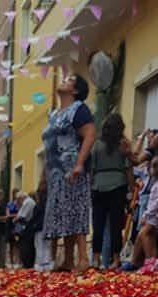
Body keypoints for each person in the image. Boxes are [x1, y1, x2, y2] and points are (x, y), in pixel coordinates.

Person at [42, 73, 96, 271]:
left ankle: (82, 258)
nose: (64, 79)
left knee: (76, 211)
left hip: (72, 168)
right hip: (55, 173)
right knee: (63, 213)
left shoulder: (78, 110)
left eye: (69, 79)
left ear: (75, 90)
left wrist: (79, 163)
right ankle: (67, 259)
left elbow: (89, 134)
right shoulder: (55, 113)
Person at [90, 112, 133, 270]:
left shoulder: (96, 144)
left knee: (98, 224)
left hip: (98, 186)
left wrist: (91, 187)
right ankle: (115, 259)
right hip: (118, 185)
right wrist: (130, 188)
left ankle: (95, 259)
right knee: (116, 225)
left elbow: (92, 168)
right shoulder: (123, 144)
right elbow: (129, 167)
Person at [122, 155, 158, 272]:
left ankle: (145, 260)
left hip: (154, 216)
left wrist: (146, 214)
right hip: (157, 215)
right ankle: (150, 261)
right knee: (148, 237)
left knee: (144, 234)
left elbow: (156, 202)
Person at [14, 191, 37, 268]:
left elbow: (22, 215)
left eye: (18, 200)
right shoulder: (27, 202)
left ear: (21, 198)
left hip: (27, 227)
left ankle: (28, 264)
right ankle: (27, 263)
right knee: (25, 246)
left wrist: (14, 219)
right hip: (26, 226)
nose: (18, 202)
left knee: (26, 246)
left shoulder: (27, 202)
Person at [32, 180, 52, 271]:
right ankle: (46, 263)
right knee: (47, 246)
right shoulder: (49, 205)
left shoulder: (37, 206)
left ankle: (39, 264)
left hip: (39, 228)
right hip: (47, 227)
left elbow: (34, 217)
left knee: (39, 246)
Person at [6, 190, 20, 266]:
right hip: (10, 225)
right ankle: (11, 261)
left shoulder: (19, 203)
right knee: (11, 244)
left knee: (17, 244)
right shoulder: (10, 204)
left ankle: (17, 261)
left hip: (17, 225)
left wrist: (14, 215)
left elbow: (20, 213)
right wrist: (16, 215)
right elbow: (8, 215)